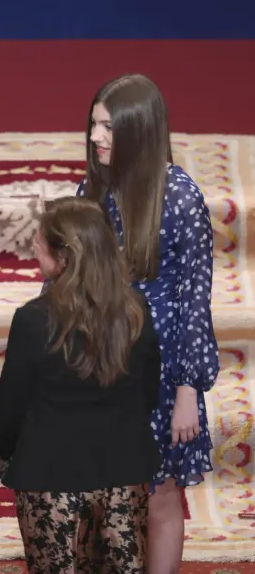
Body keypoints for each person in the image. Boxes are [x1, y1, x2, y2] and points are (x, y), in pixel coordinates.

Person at [78, 74, 218, 574]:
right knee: (96, 490)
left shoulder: (180, 199)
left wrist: (187, 391)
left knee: (158, 498)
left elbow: (194, 303)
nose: (96, 137)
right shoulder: (94, 186)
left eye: (109, 127)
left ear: (140, 131)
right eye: (94, 124)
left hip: (160, 371)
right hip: (100, 358)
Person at [0, 196, 162, 572]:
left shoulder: (33, 319)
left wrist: (10, 453)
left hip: (50, 478)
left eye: (39, 240)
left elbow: (9, 411)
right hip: (124, 471)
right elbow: (150, 394)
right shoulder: (136, 312)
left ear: (64, 255)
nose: (34, 246)